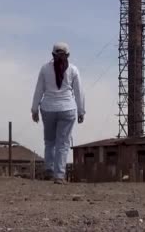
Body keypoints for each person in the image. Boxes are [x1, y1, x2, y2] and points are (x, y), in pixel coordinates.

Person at [31, 42, 85, 184]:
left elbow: (39, 90)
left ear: (52, 54)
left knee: (49, 141)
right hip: (67, 109)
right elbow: (79, 92)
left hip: (48, 108)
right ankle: (59, 175)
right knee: (63, 143)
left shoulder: (44, 69)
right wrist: (81, 111)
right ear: (68, 55)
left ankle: (49, 169)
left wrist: (34, 109)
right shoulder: (73, 70)